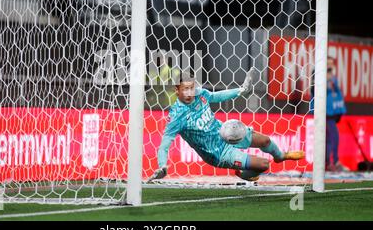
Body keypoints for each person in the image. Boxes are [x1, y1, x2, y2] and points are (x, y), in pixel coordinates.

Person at [148, 68, 305, 182]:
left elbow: (217, 96)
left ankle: (281, 156)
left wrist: (241, 90)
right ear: (177, 90)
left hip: (227, 133)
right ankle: (243, 174)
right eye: (185, 89)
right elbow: (164, 146)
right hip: (217, 153)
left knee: (265, 141)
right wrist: (162, 167)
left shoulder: (200, 94)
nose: (190, 93)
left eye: (191, 88)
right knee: (263, 165)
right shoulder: (176, 116)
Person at [311, 57, 348, 172]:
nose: (331, 66)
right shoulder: (318, 75)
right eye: (329, 64)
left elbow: (337, 93)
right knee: (332, 137)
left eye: (332, 64)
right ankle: (332, 162)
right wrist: (326, 77)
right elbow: (315, 89)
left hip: (332, 113)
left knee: (329, 138)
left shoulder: (333, 78)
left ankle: (328, 163)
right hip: (323, 112)